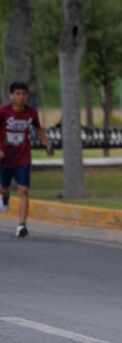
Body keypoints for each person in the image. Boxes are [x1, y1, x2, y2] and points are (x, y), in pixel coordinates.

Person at [0, 81, 54, 237]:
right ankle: (5, 196)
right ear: (11, 96)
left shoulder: (31, 113)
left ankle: (21, 225)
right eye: (17, 94)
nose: (21, 97)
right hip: (5, 156)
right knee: (4, 188)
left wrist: (47, 144)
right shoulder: (3, 112)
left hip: (23, 155)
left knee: (24, 189)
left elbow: (38, 128)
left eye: (24, 94)